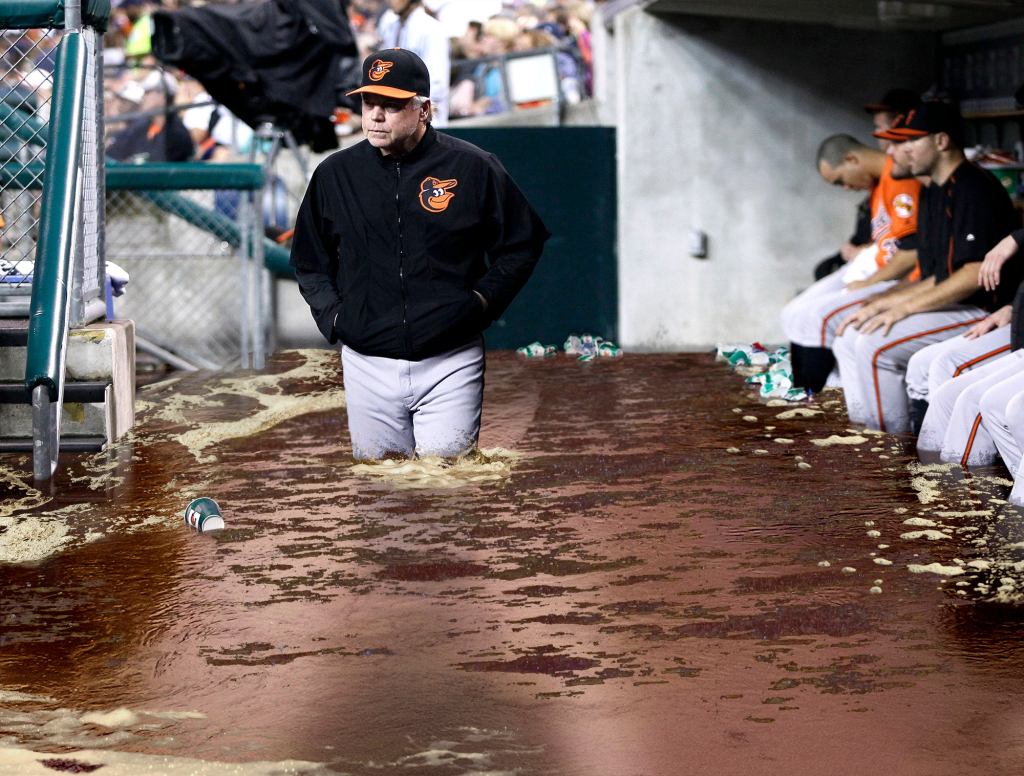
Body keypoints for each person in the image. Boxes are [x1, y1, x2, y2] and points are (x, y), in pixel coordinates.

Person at [290, 49, 549, 460]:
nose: (376, 115)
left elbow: (522, 243)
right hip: (366, 361)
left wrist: (480, 302)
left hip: (449, 359)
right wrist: (337, 319)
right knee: (381, 492)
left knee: (446, 486)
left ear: (423, 109)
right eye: (369, 102)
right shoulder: (335, 174)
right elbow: (309, 261)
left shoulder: (473, 166)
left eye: (391, 105)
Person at [832, 101, 1021, 434]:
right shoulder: (936, 190)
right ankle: (867, 432)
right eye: (898, 141)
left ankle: (889, 445)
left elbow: (972, 275)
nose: (900, 150)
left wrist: (903, 307)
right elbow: (940, 273)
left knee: (874, 345)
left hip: (985, 309)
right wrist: (888, 301)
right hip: (960, 303)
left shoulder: (973, 187)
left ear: (941, 141)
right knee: (855, 333)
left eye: (910, 141)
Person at [781, 131, 921, 392]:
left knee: (816, 319)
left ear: (851, 159)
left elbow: (912, 250)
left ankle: (814, 397)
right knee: (794, 313)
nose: (846, 188)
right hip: (877, 269)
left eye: (841, 180)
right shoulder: (879, 184)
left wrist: (869, 281)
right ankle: (802, 392)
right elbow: (890, 240)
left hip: (898, 279)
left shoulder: (900, 179)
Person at [377, 0, 451, 126]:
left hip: (424, 118)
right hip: (395, 114)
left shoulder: (431, 29)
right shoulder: (391, 27)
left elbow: (436, 83)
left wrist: (411, 107)